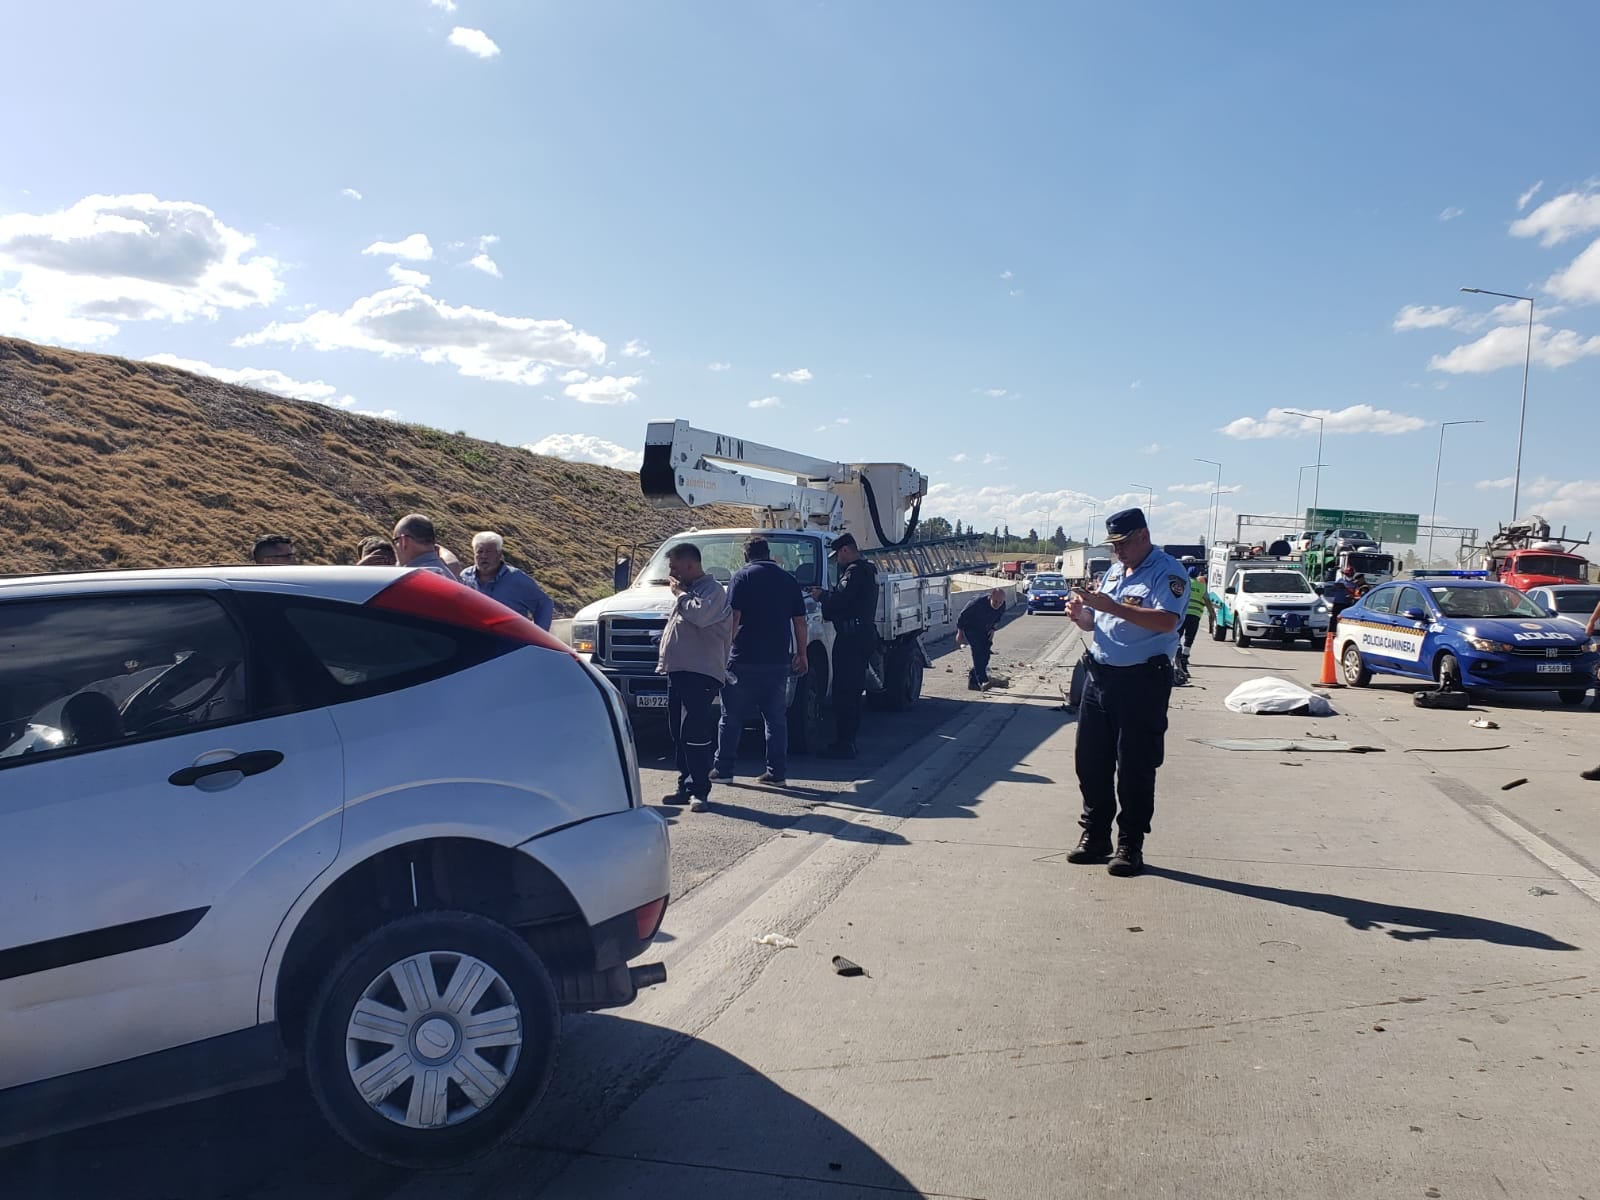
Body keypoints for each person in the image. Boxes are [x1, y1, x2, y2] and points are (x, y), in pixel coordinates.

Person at [1065, 508, 1187, 877]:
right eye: (1113, 546)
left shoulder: (1167, 572)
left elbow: (1167, 620)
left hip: (1142, 682)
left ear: (1142, 536)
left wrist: (1112, 606)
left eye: (1122, 545)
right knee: (1091, 760)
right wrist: (1083, 616)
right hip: (1100, 677)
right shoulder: (1118, 571)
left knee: (1135, 766)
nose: (1117, 552)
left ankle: (1130, 844)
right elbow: (1102, 621)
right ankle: (1096, 835)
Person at [713, 536, 808, 785]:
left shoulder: (742, 577)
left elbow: (734, 616)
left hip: (743, 658)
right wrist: (802, 653)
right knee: (776, 720)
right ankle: (777, 773)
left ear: (746, 555)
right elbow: (800, 620)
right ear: (769, 554)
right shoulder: (789, 580)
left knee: (731, 718)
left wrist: (723, 652)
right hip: (777, 661)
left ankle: (724, 770)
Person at [656, 543, 734, 811]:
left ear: (690, 566)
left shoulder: (712, 591)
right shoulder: (689, 593)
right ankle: (685, 785)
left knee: (694, 732)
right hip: (679, 672)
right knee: (678, 733)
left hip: (700, 674)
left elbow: (699, 616)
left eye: (675, 568)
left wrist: (679, 595)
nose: (672, 574)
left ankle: (700, 789)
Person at [807, 531, 878, 759]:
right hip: (860, 635)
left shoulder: (855, 572)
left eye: (838, 555)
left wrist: (822, 596)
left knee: (844, 692)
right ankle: (847, 741)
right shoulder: (867, 569)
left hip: (852, 638)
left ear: (846, 550)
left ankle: (845, 744)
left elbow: (840, 600)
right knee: (852, 691)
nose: (837, 560)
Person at [461, 531, 555, 629]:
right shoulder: (465, 577)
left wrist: (539, 635)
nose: (484, 556)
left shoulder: (516, 578)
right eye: (480, 552)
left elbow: (544, 604)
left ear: (499, 554)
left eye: (488, 552)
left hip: (511, 640)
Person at [956, 588, 1007, 691]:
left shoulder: (1002, 605)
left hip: (985, 629)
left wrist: (993, 629)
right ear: (990, 597)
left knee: (985, 655)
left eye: (1000, 602)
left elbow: (998, 618)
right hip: (971, 628)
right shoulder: (977, 602)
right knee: (978, 652)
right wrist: (959, 633)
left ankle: (973, 682)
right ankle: (983, 680)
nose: (998, 604)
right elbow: (962, 615)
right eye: (995, 601)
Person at [391, 513, 457, 579]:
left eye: (395, 541)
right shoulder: (448, 575)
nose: (395, 549)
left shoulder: (409, 579)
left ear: (404, 541)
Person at [1179, 557, 1214, 656]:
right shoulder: (1201, 586)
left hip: (1182, 614)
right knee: (1190, 637)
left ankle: (1177, 652)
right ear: (1198, 574)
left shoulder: (1183, 584)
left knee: (1177, 635)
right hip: (1195, 616)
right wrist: (1212, 614)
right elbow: (1207, 601)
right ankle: (1185, 656)